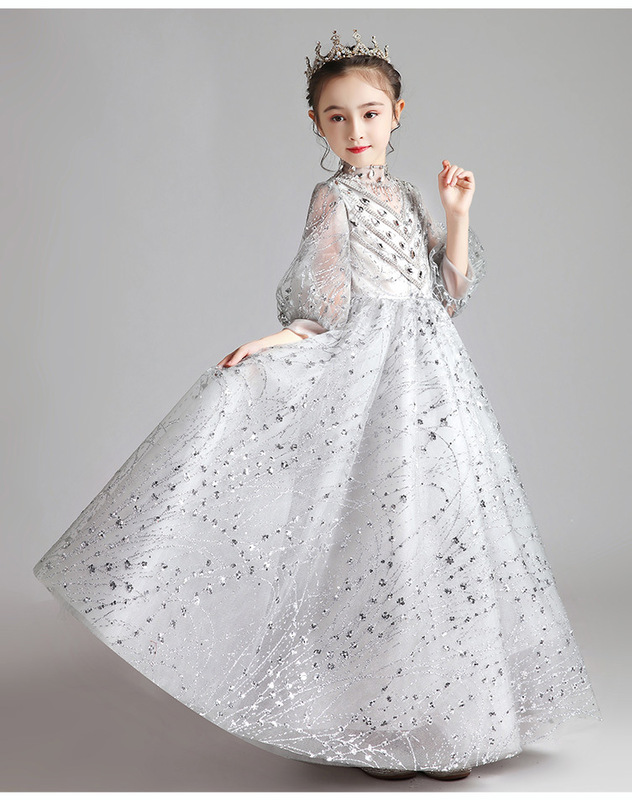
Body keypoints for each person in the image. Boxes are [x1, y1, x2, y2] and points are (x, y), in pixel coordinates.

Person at [33, 28, 602, 783]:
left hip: (436, 384)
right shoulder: (332, 197)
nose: (355, 130)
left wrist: (457, 212)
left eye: (369, 113)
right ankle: (379, 720)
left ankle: (446, 718)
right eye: (337, 117)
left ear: (397, 114)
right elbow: (324, 304)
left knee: (442, 534)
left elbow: (447, 294)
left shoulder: (406, 196)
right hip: (375, 378)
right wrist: (277, 342)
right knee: (382, 534)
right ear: (316, 124)